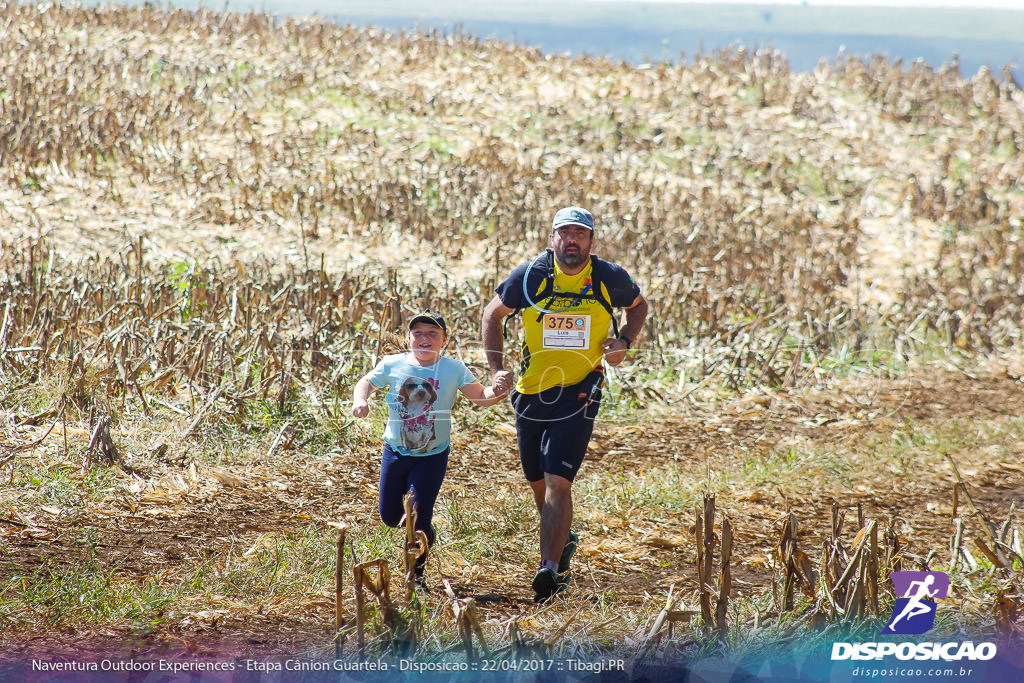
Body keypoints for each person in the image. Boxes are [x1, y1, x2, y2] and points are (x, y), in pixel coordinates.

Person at [481, 206, 649, 602]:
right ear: (552, 239)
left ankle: (549, 569)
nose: (572, 240)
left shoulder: (608, 277)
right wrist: (496, 370)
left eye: (580, 234)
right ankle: (562, 539)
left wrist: (624, 341)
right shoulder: (532, 275)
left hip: (580, 388)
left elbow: (638, 307)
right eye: (565, 233)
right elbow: (493, 314)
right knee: (537, 479)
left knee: (559, 480)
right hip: (531, 389)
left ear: (591, 241)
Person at [352, 311, 511, 590]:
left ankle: (417, 575)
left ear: (444, 340)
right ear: (409, 338)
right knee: (391, 516)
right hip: (396, 451)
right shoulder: (392, 364)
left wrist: (498, 390)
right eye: (418, 333)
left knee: (417, 513)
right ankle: (422, 530)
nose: (424, 338)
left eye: (432, 333)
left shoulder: (454, 369)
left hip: (432, 456)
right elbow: (366, 381)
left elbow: (481, 397)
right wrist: (361, 400)